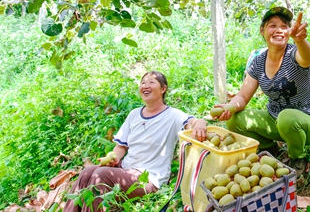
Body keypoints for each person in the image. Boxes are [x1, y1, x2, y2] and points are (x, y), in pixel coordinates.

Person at [64, 71, 207, 212]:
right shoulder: (134, 114)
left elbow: (190, 122)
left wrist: (200, 122)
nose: (145, 85)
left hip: (149, 178)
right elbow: (121, 147)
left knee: (100, 175)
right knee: (87, 172)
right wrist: (113, 159)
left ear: (163, 89)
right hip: (125, 171)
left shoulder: (173, 115)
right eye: (143, 82)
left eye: (151, 82)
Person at [214, 7, 310, 178]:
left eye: (284, 26)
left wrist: (300, 40)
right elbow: (242, 96)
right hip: (275, 120)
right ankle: (269, 147)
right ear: (262, 30)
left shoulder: (294, 53)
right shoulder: (258, 62)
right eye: (272, 25)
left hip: (305, 124)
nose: (279, 30)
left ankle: (298, 157)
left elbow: (308, 57)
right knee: (236, 120)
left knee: (287, 118)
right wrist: (230, 107)